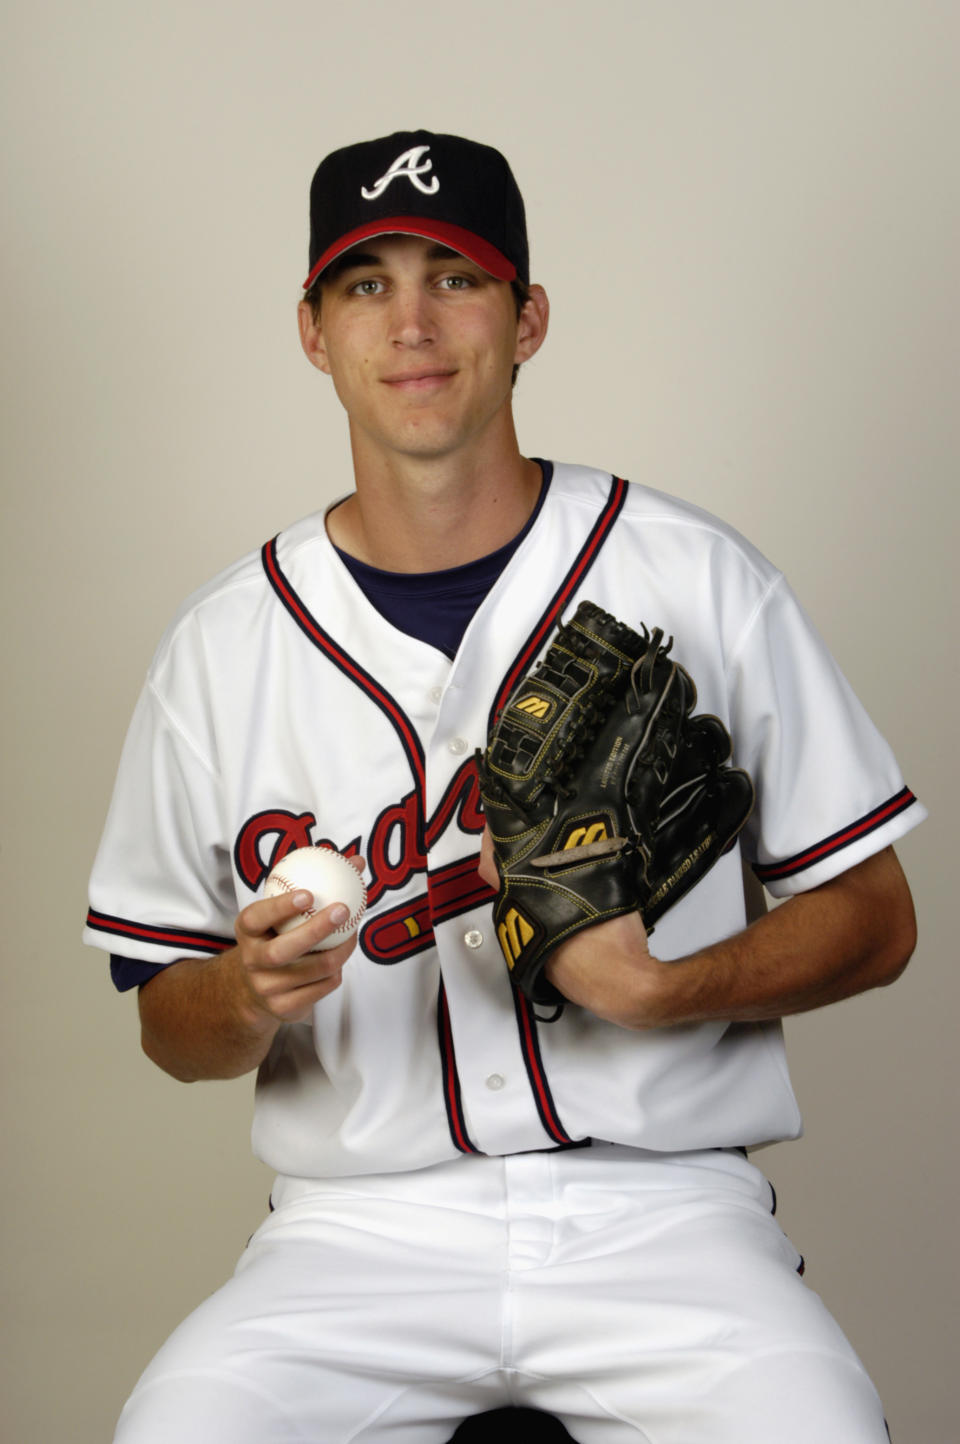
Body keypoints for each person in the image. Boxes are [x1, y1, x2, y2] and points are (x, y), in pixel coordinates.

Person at [85, 129, 924, 1443]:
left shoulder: (696, 578)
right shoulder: (219, 647)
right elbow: (164, 1020)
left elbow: (879, 919)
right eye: (366, 284)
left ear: (526, 317)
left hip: (663, 1216)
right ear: (312, 331)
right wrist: (242, 999)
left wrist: (663, 989)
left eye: (456, 278)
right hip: (352, 1242)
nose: (412, 323)